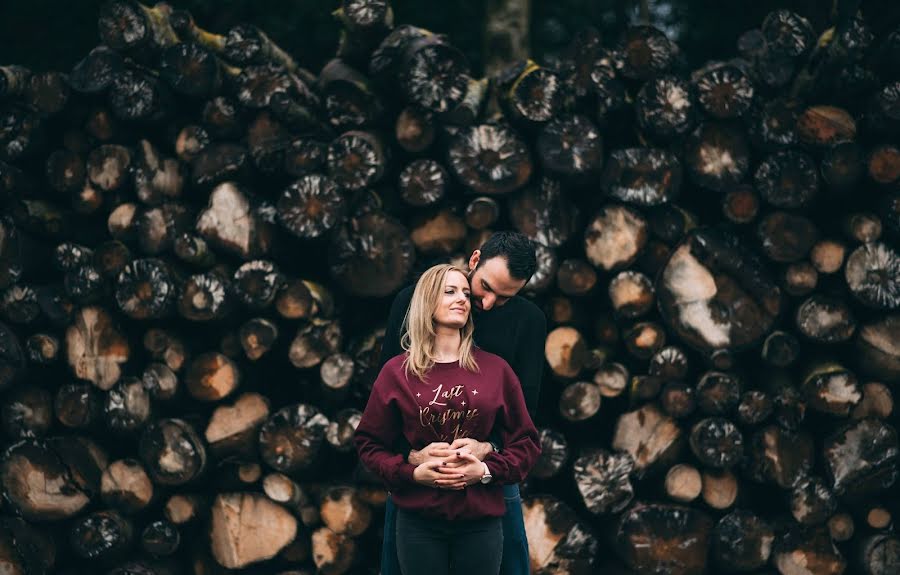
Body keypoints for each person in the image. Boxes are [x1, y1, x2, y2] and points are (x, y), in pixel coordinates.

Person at [377, 231, 547, 575]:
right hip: (421, 473)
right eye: (485, 287)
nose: (485, 304)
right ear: (474, 260)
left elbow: (525, 413)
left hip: (491, 471)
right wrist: (411, 458)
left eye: (503, 298)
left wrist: (489, 449)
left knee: (510, 563)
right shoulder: (411, 302)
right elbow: (386, 398)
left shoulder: (528, 321)